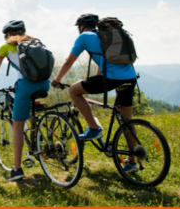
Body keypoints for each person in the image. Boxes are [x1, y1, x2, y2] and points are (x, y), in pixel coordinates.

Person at [52, 14, 139, 172]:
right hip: (130, 77)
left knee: (74, 91)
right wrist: (96, 77)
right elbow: (102, 60)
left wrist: (57, 80)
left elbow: (68, 61)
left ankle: (94, 128)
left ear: (81, 26)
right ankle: (131, 162)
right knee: (127, 120)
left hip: (112, 78)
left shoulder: (84, 36)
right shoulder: (105, 36)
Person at [0, 20, 50, 181]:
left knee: (17, 128)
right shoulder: (35, 43)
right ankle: (37, 136)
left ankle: (17, 170)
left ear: (8, 35)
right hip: (45, 84)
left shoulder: (5, 48)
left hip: (26, 86)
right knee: (28, 108)